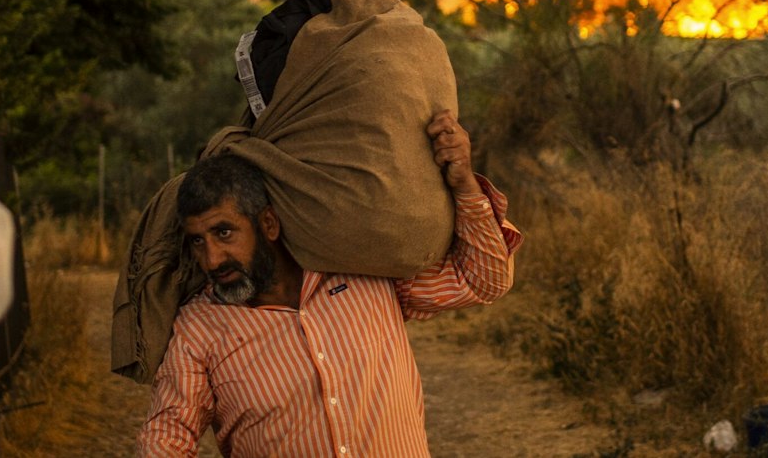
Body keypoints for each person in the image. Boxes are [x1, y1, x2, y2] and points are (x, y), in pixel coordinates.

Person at [138, 111, 523, 457]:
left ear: (268, 224)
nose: (212, 259)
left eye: (224, 232)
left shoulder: (362, 272)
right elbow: (168, 435)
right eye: (197, 241)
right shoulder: (199, 328)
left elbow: (485, 280)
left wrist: (464, 185)